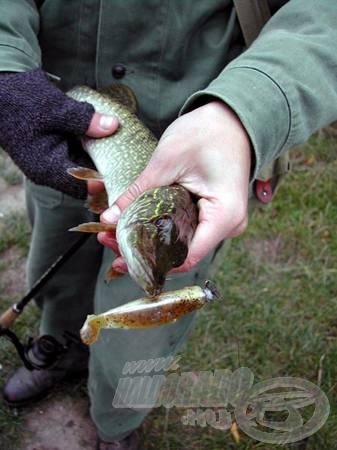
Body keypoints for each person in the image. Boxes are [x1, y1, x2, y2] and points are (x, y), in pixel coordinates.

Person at [1, 0, 337, 448]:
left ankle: (117, 420)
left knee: (140, 333)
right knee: (56, 276)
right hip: (64, 132)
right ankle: (62, 347)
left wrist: (248, 109)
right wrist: (6, 65)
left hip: (199, 165)